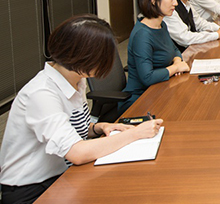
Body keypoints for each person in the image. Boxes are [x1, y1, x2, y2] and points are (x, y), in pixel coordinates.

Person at [0, 15, 163, 204]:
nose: (108, 62)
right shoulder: (41, 94)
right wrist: (135, 134)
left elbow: (74, 128)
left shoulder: (75, 79)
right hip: (31, 190)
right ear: (81, 55)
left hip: (63, 174)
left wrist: (99, 127)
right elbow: (76, 152)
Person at [120, 0, 190, 113]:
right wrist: (175, 68)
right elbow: (147, 77)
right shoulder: (143, 34)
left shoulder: (161, 25)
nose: (175, 3)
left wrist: (177, 60)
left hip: (161, 88)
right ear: (154, 0)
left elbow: (174, 49)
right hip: (141, 99)